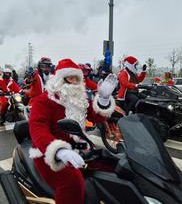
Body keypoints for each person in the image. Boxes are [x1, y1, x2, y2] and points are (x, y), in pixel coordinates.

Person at [29, 59, 117, 204]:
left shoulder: (80, 99)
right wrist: (59, 151)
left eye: (77, 78)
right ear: (60, 79)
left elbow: (97, 117)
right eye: (71, 77)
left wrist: (104, 99)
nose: (75, 81)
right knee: (72, 182)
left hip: (79, 148)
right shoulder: (43, 101)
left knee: (113, 168)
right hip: (49, 153)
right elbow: (38, 129)